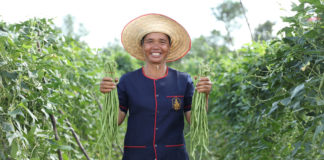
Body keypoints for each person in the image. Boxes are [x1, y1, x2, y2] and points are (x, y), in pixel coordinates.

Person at [100, 13, 212, 160]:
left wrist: (204, 95)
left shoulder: (184, 81)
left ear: (169, 47)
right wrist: (108, 96)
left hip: (174, 156)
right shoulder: (128, 81)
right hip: (137, 155)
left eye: (162, 41)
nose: (156, 46)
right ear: (142, 46)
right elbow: (114, 121)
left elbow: (196, 123)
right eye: (149, 41)